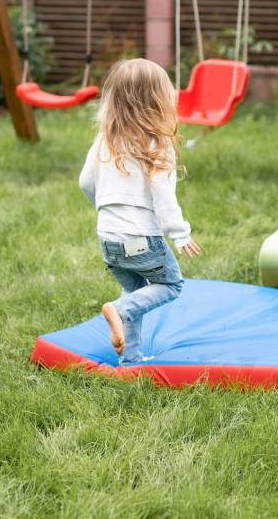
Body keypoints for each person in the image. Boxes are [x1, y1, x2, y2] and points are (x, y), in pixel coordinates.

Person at [79, 58, 202, 365]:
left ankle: (130, 359)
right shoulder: (157, 143)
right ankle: (118, 311)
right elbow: (164, 197)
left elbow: (85, 182)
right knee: (171, 285)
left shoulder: (104, 139)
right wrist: (180, 234)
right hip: (141, 239)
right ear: (158, 100)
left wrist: (105, 210)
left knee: (133, 290)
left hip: (109, 239)